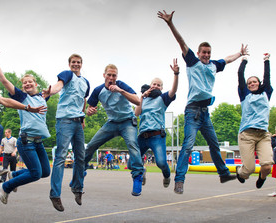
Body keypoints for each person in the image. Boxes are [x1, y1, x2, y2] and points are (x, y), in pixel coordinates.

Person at [158, 10, 244, 194]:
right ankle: (179, 180)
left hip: (205, 113)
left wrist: (240, 53)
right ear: (198, 53)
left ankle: (223, 173)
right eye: (203, 52)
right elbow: (181, 42)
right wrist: (170, 24)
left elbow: (228, 59)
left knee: (214, 144)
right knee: (188, 145)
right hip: (192, 111)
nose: (206, 55)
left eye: (208, 53)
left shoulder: (214, 65)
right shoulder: (192, 62)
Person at [0, 49, 51, 205]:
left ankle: (14, 176)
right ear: (23, 87)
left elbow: (54, 89)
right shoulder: (23, 98)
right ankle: (6, 186)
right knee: (35, 174)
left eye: (30, 81)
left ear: (36, 84)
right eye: (24, 83)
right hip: (26, 142)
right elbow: (4, 81)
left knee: (45, 172)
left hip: (38, 142)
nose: (27, 84)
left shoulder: (42, 98)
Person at [83, 64, 145, 196]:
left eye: (114, 75)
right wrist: (90, 111)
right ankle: (80, 172)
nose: (111, 78)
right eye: (109, 75)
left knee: (133, 146)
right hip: (111, 123)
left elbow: (138, 101)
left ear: (117, 76)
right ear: (104, 75)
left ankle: (138, 176)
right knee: (91, 145)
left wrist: (120, 90)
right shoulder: (98, 90)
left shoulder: (121, 85)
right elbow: (89, 110)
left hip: (127, 121)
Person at [42, 54, 90, 212]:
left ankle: (77, 188)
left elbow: (82, 99)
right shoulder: (67, 74)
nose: (76, 64)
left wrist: (83, 117)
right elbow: (59, 85)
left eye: (78, 62)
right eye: (73, 62)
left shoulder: (85, 82)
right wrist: (51, 92)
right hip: (65, 121)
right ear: (69, 64)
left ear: (81, 64)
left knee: (81, 158)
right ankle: (55, 194)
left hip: (78, 122)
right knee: (61, 156)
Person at [135, 58, 179, 188]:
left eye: (158, 85)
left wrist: (176, 74)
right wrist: (142, 97)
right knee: (132, 163)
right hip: (142, 136)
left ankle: (166, 174)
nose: (155, 86)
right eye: (153, 84)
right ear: (150, 85)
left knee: (160, 162)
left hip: (156, 136)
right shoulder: (143, 98)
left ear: (161, 88)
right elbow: (136, 113)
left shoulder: (162, 98)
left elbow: (173, 91)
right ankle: (142, 171)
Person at [235, 53, 274, 189]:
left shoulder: (266, 93)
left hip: (263, 135)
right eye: (249, 83)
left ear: (259, 83)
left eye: (254, 82)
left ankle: (262, 177)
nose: (252, 84)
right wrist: (244, 60)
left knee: (267, 166)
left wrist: (266, 61)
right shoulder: (245, 95)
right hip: (247, 135)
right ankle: (240, 172)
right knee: (249, 169)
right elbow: (240, 75)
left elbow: (267, 77)